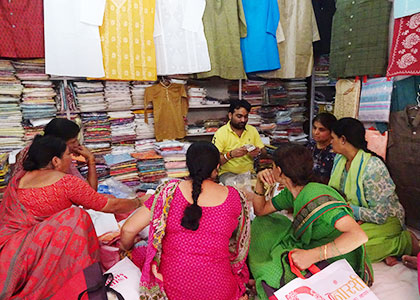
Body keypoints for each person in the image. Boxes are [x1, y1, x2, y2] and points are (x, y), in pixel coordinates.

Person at [0, 135, 143, 299]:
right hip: (31, 253)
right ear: (55, 161)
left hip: (7, 251)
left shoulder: (19, 177)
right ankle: (86, 285)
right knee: (77, 217)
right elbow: (110, 206)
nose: (72, 160)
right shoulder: (65, 182)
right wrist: (139, 202)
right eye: (69, 155)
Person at [120, 141, 251, 300]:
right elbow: (238, 245)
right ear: (217, 167)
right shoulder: (235, 197)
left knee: (141, 250)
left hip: (174, 288)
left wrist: (125, 248)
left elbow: (128, 229)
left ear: (188, 165)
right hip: (220, 289)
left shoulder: (169, 191)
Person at [248, 144, 372, 300]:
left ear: (279, 171)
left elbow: (358, 236)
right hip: (310, 248)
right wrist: (260, 183)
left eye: (272, 166)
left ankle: (265, 279)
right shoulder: (292, 192)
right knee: (264, 223)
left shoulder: (316, 194)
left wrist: (312, 256)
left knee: (272, 273)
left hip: (336, 259)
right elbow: (261, 211)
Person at [328, 118, 420, 264]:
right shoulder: (339, 160)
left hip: (387, 219)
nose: (330, 142)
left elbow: (380, 216)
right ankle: (387, 250)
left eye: (333, 138)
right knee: (328, 240)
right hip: (354, 215)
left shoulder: (372, 168)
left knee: (352, 249)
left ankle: (404, 242)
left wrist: (351, 212)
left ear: (343, 139)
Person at [12, 117, 98, 190]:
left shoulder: (31, 148)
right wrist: (91, 160)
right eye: (73, 141)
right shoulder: (58, 157)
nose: (77, 144)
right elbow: (89, 191)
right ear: (60, 143)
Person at [212, 99, 266, 184]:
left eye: (246, 116)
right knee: (236, 187)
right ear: (230, 115)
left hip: (249, 174)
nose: (243, 120)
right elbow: (215, 161)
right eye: (239, 116)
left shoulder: (252, 130)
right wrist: (230, 155)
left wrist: (258, 152)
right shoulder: (221, 133)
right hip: (227, 174)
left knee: (262, 187)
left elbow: (264, 153)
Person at [306, 112, 337, 183]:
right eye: (314, 128)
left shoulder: (335, 151)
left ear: (331, 132)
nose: (316, 132)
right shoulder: (311, 145)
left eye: (321, 130)